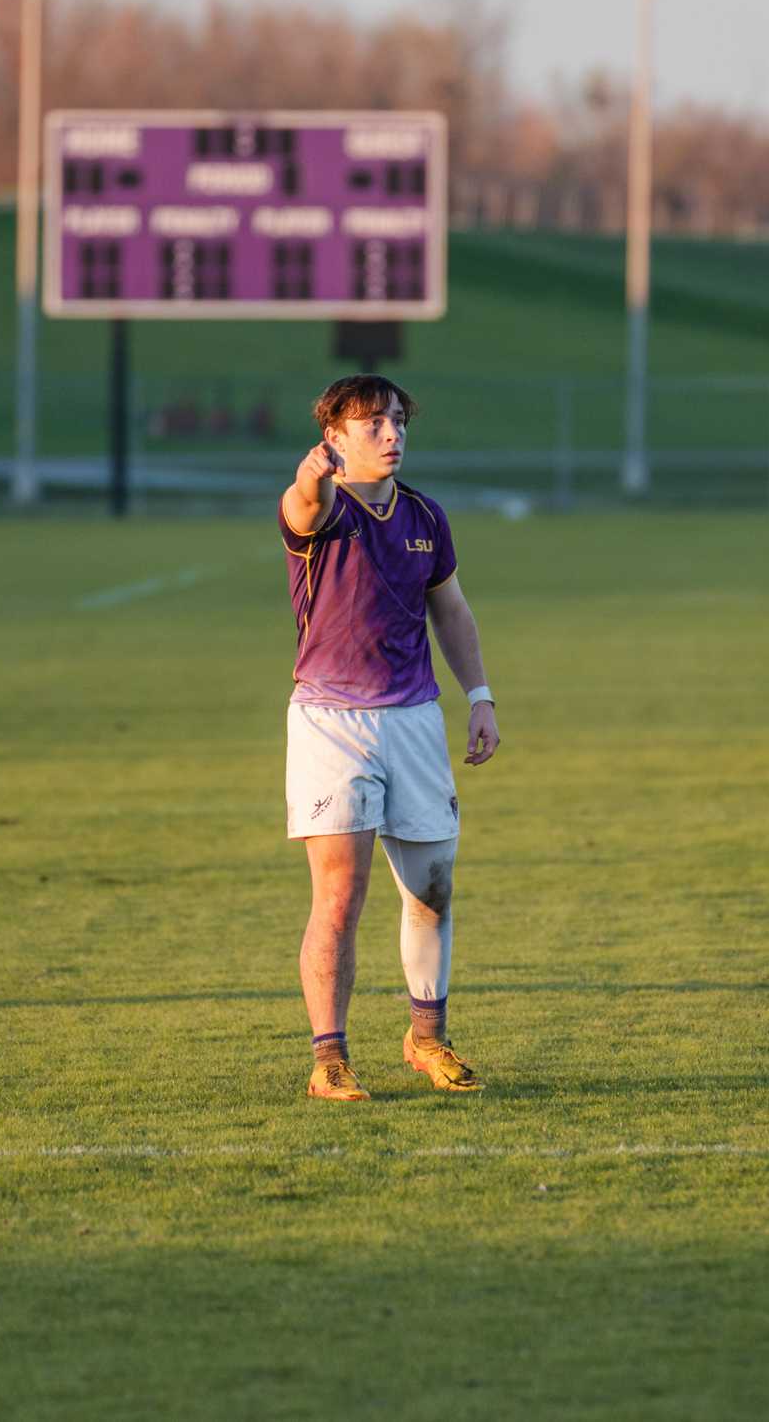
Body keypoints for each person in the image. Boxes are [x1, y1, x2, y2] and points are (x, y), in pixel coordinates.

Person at [279, 374, 502, 1101]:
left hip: (413, 720)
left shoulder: (426, 517)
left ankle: (427, 1036)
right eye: (372, 423)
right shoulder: (324, 509)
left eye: (398, 420)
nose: (392, 434)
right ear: (334, 437)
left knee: (433, 890)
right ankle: (329, 1058)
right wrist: (309, 479)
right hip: (330, 724)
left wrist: (480, 696)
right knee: (341, 896)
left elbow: (453, 613)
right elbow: (298, 509)